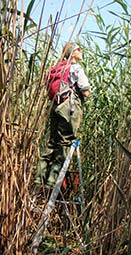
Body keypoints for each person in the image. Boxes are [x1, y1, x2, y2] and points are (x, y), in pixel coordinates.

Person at [35, 42, 90, 187]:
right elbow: (86, 91)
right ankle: (52, 182)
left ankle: (39, 178)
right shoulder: (76, 68)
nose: (81, 51)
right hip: (68, 108)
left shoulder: (57, 68)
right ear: (72, 53)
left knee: (52, 142)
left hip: (55, 106)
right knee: (65, 143)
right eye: (79, 49)